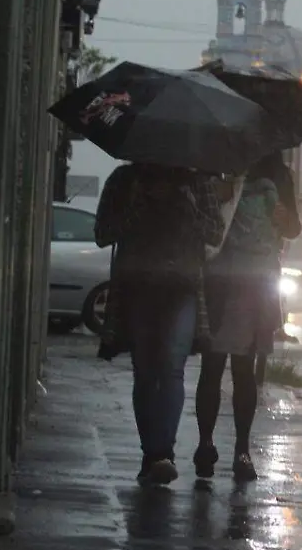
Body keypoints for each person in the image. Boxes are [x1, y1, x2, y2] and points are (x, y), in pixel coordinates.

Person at [94, 163, 225, 486]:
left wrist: (189, 209)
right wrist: (139, 205)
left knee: (170, 368)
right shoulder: (125, 180)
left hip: (182, 289)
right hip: (137, 288)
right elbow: (103, 234)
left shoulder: (198, 184)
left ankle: (163, 453)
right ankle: (151, 453)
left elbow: (214, 233)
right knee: (145, 371)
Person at [193, 153, 301, 482]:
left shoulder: (277, 175)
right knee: (212, 366)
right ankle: (205, 443)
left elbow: (294, 228)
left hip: (257, 283)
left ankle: (242, 450)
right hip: (220, 282)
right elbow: (201, 221)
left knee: (245, 369)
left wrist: (283, 217)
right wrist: (219, 195)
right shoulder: (216, 168)